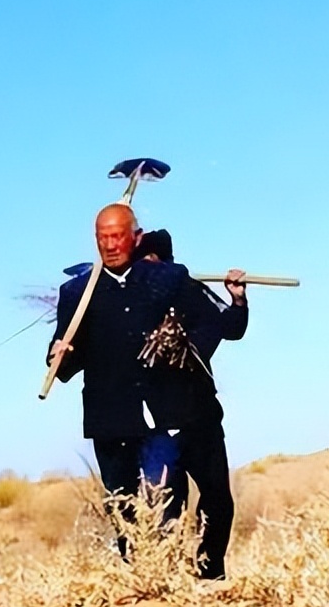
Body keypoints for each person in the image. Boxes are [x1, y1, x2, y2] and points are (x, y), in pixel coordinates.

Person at [47, 205, 222, 557]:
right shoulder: (77, 292)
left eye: (117, 236)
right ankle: (135, 576)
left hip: (161, 418)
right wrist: (58, 357)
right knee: (123, 511)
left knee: (164, 503)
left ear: (136, 238)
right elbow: (64, 364)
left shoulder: (169, 279)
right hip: (110, 420)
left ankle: (169, 572)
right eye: (102, 238)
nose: (110, 245)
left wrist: (186, 352)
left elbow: (210, 323)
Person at [134, 228, 247, 579]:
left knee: (218, 501)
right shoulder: (129, 301)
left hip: (201, 417)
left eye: (156, 260)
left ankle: (210, 572)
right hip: (155, 424)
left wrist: (237, 300)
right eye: (144, 261)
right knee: (165, 506)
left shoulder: (189, 290)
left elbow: (230, 326)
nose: (151, 268)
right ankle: (165, 579)